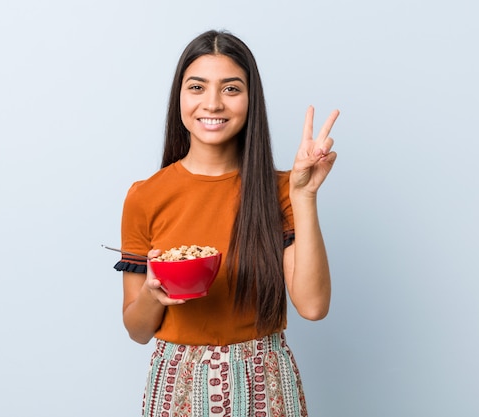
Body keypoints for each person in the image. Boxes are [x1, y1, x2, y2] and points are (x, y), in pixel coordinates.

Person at [114, 29, 339, 417]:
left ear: (251, 100)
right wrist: (153, 292)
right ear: (179, 97)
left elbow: (313, 306)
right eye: (197, 87)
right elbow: (137, 331)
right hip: (177, 385)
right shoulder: (144, 196)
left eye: (231, 89)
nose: (213, 103)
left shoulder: (281, 189)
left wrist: (305, 195)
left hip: (265, 382)